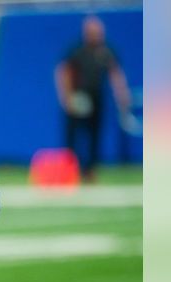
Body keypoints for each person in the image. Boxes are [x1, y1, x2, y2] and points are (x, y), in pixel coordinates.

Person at [55, 15, 133, 181]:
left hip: (96, 97)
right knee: (73, 137)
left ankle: (90, 170)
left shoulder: (106, 51)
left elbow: (115, 73)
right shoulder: (77, 50)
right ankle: (70, 170)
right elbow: (63, 72)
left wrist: (122, 94)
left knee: (94, 136)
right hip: (78, 97)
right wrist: (66, 97)